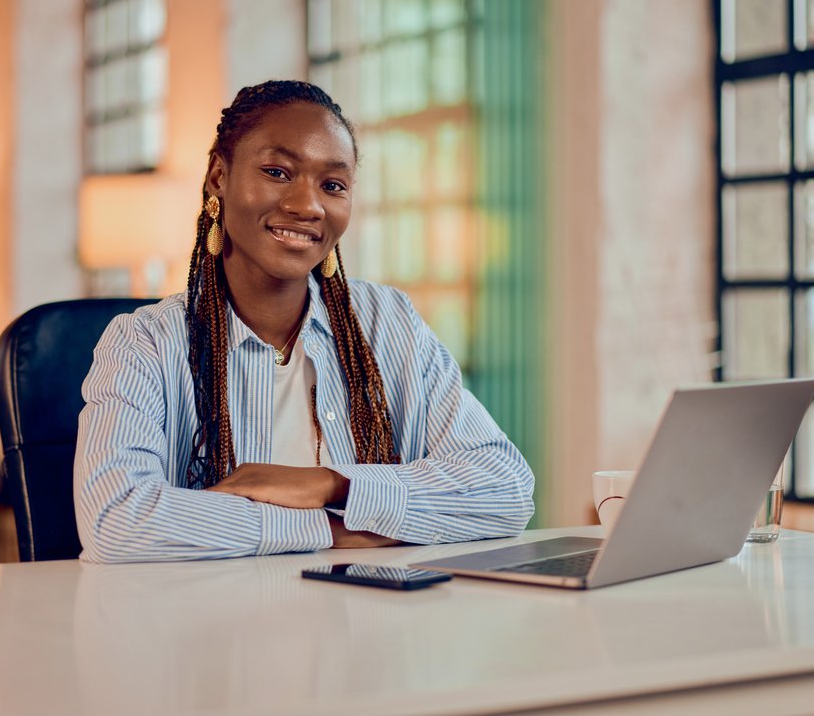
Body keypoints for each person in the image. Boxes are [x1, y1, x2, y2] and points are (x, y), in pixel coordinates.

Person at [75, 80, 534, 562]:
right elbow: (117, 520)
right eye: (277, 172)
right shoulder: (144, 342)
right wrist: (332, 530)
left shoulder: (387, 323)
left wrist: (331, 485)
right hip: (205, 628)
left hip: (365, 624)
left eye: (332, 185)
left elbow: (505, 490)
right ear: (217, 178)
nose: (307, 205)